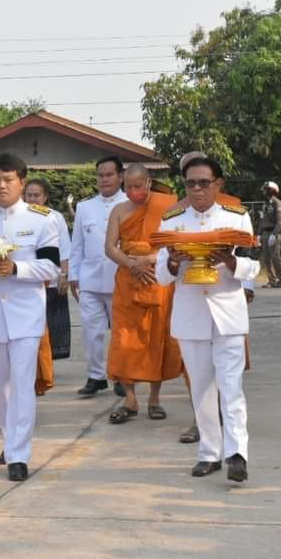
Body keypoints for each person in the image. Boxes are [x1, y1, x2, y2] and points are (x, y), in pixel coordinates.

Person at [156, 156, 259, 483]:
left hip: (227, 312)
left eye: (204, 183)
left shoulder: (237, 217)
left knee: (231, 386)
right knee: (201, 388)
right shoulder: (172, 220)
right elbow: (160, 276)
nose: (197, 190)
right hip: (191, 314)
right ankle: (209, 453)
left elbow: (254, 268)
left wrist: (231, 261)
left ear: (219, 184)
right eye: (190, 183)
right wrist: (173, 262)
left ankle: (237, 453)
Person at [0, 153, 59, 482]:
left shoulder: (41, 220)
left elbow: (50, 267)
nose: (2, 185)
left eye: (8, 180)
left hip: (25, 314)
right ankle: (10, 439)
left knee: (22, 386)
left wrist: (16, 268)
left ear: (22, 182)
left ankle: (19, 454)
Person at [104, 164, 183, 423]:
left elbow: (174, 244)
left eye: (138, 186)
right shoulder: (118, 210)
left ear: (149, 183)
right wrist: (131, 264)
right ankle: (130, 399)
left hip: (158, 276)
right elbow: (110, 248)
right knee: (124, 339)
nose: (133, 192)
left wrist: (149, 258)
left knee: (156, 337)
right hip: (127, 279)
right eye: (128, 187)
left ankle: (154, 398)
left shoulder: (167, 207)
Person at [69, 156, 127, 397]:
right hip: (90, 279)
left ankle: (121, 376)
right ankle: (96, 376)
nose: (104, 180)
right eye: (100, 175)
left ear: (120, 177)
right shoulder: (84, 207)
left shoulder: (130, 204)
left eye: (109, 175)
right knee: (92, 333)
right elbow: (77, 245)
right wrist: (73, 274)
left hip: (120, 279)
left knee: (121, 333)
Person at [23, 178, 71, 395]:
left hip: (50, 282)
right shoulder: (18, 217)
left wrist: (64, 275)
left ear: (45, 197)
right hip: (25, 283)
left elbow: (65, 249)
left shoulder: (54, 217)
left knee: (48, 332)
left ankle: (42, 374)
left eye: (37, 195)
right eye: (29, 195)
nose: (33, 199)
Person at [259, 181, 281, 288]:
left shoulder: (277, 203)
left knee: (275, 257)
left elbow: (280, 221)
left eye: (265, 189)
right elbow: (262, 220)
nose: (263, 191)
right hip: (265, 233)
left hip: (273, 233)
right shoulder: (265, 204)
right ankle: (272, 280)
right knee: (266, 258)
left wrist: (275, 234)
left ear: (272, 190)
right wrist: (259, 234)